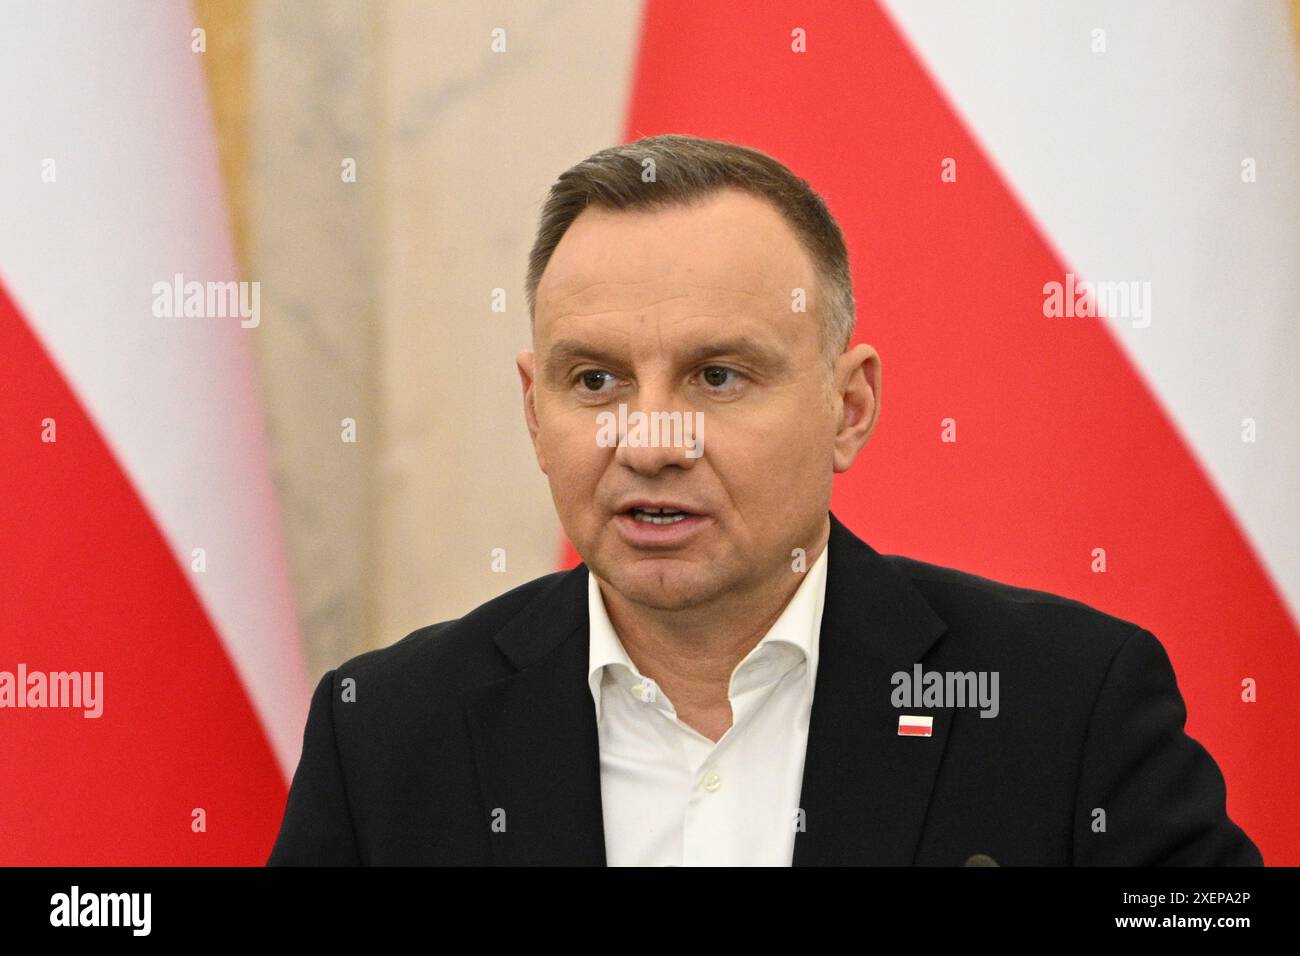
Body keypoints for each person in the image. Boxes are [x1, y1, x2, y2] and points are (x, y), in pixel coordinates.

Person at [267, 134, 1262, 866]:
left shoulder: (1065, 703)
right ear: (535, 410)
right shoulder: (388, 732)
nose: (650, 441)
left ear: (847, 405)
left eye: (717, 376)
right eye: (596, 381)